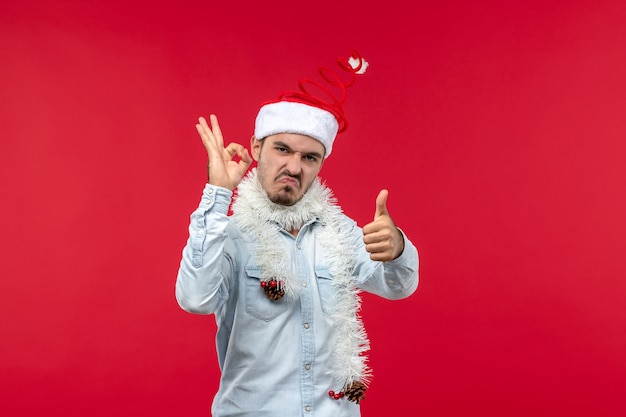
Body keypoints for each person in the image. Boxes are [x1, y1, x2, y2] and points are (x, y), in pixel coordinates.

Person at [176, 51, 419, 417]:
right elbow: (195, 299)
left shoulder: (340, 232)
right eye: (282, 149)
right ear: (257, 148)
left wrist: (398, 247)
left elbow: (399, 287)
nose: (293, 166)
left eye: (309, 157)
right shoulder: (230, 234)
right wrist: (217, 194)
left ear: (321, 163)